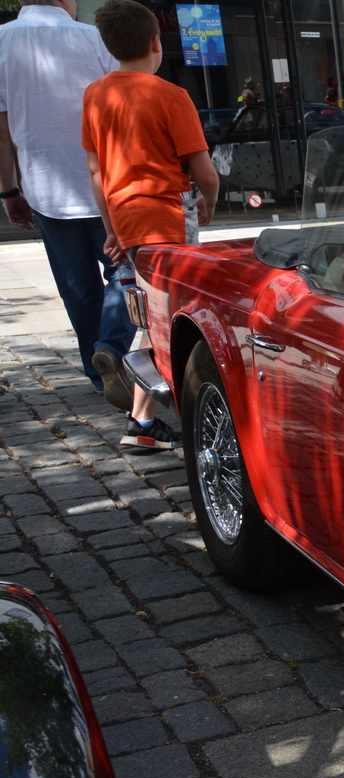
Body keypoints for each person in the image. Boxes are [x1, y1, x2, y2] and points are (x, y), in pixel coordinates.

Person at [82, 0, 219, 451]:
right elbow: (203, 170)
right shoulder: (172, 96)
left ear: (109, 46)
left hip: (125, 217)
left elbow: (95, 172)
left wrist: (111, 228)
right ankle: (151, 405)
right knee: (167, 317)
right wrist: (210, 200)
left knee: (148, 311)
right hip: (167, 217)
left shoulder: (95, 95)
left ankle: (140, 420)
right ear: (157, 43)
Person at [0, 0, 135, 405]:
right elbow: (125, 108)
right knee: (125, 272)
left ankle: (98, 374)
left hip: (45, 188)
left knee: (77, 287)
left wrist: (9, 190)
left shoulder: (2, 41)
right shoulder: (94, 38)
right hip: (107, 182)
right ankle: (112, 350)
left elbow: (1, 129)